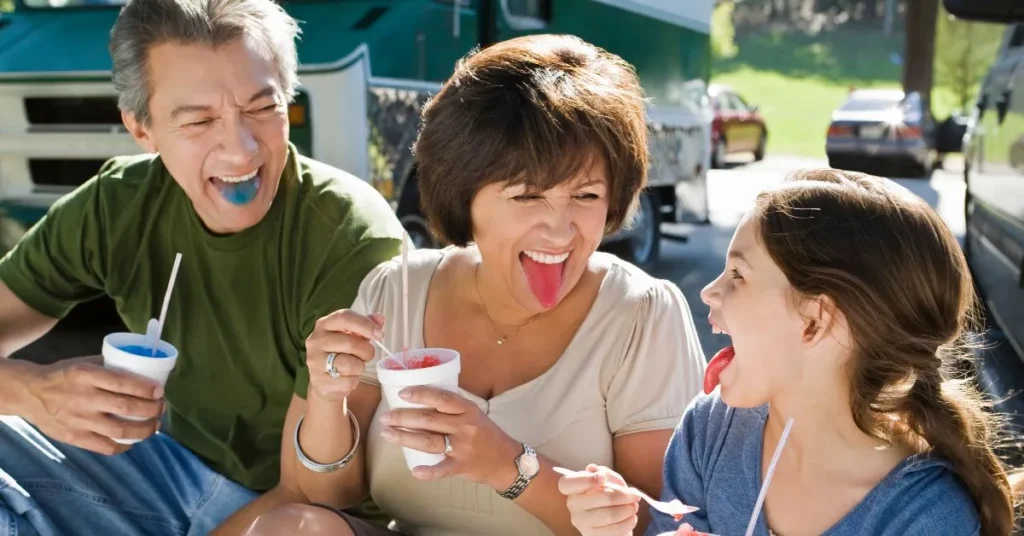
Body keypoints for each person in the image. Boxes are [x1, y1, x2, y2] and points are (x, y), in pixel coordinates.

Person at [242, 34, 708, 536]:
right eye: (528, 196)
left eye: (586, 194)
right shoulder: (394, 291)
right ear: (465, 196)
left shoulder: (640, 314)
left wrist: (508, 466)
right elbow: (329, 496)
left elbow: (662, 520)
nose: (560, 229)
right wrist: (329, 396)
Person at [0, 0, 404, 533]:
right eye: (199, 120)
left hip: (301, 511)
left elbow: (314, 490)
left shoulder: (348, 234)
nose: (240, 151)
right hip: (169, 474)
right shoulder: (117, 206)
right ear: (142, 129)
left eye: (262, 108)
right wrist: (33, 392)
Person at [558, 169, 1020, 536]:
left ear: (815, 320)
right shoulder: (711, 429)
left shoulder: (924, 517)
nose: (710, 293)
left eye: (738, 275)